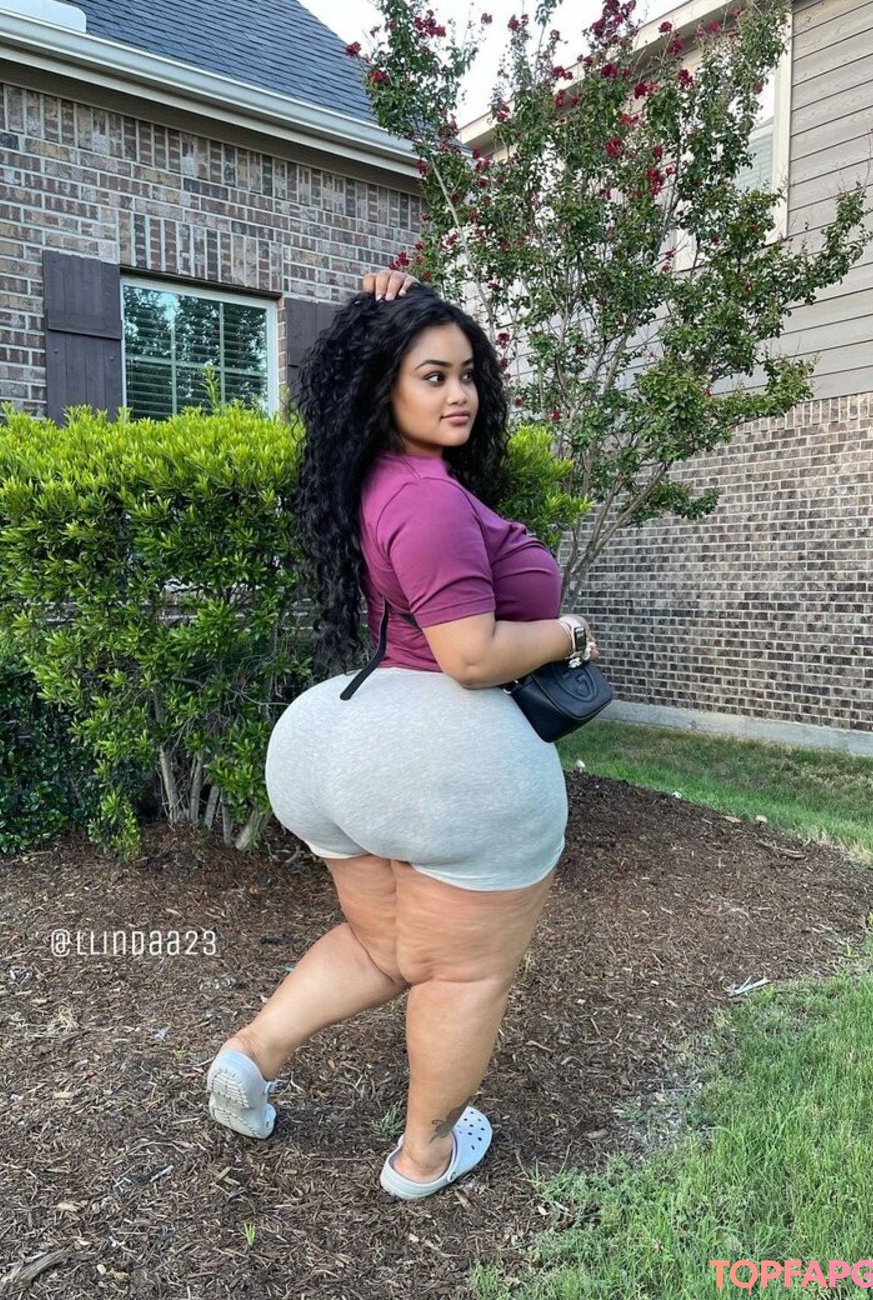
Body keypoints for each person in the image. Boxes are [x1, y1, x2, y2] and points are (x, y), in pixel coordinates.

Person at [205, 271, 597, 1201]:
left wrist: (411, 294)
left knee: (384, 947)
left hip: (339, 737)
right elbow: (470, 655)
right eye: (433, 375)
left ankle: (253, 1055)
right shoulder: (429, 499)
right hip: (443, 749)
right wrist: (570, 634)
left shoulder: (378, 480)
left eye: (467, 374)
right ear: (384, 385)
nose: (461, 393)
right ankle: (426, 1155)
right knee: (462, 974)